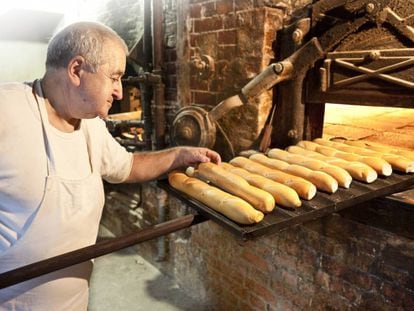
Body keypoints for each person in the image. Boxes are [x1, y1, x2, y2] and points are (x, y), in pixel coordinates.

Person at [0, 21, 220, 309]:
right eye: (115, 77)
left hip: (73, 302)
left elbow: (127, 166)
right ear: (77, 70)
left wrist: (178, 155)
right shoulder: (8, 110)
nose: (119, 91)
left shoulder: (90, 124)